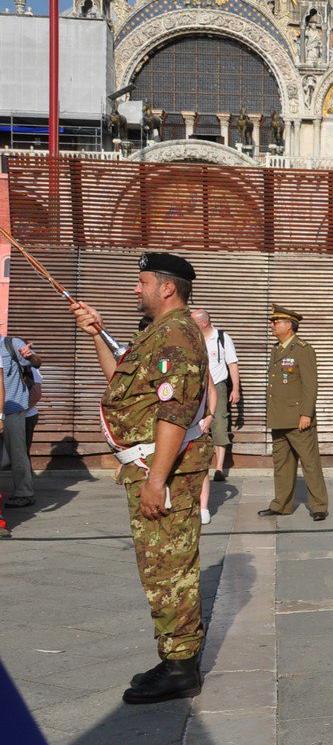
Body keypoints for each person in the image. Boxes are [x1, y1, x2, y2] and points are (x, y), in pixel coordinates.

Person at [70, 253, 213, 704]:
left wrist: (157, 480)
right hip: (149, 467)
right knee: (159, 569)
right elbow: (120, 385)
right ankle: (174, 654)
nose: (136, 289)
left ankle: (181, 666)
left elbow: (175, 412)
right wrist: (96, 335)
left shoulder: (176, 336)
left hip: (163, 470)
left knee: (170, 569)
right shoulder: (154, 334)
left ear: (166, 288)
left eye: (142, 281)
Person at [260, 304, 329, 521]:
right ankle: (282, 504)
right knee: (282, 464)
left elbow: (310, 384)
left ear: (289, 325)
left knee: (310, 463)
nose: (272, 325)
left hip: (299, 418)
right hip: (279, 417)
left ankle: (318, 505)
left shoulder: (302, 349)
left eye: (276, 322)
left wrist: (306, 413)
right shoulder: (276, 349)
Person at [192, 309, 239, 524]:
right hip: (195, 385)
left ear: (203, 323)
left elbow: (232, 364)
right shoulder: (191, 338)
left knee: (219, 421)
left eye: (193, 321)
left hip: (218, 385)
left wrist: (235, 388)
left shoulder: (222, 338)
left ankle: (219, 468)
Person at [0, 332, 37, 507]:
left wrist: (31, 356)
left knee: (17, 452)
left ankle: (24, 493)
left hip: (12, 410)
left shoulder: (11, 343)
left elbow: (36, 363)